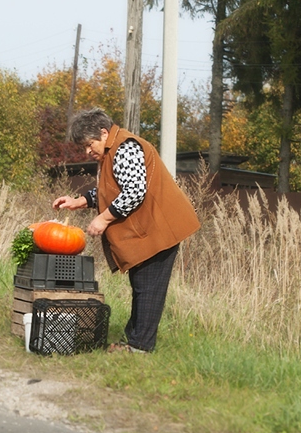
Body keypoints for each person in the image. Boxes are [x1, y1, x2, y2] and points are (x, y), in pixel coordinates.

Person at [52, 108, 200, 353]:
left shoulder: (126, 148)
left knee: (148, 288)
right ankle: (133, 342)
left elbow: (133, 192)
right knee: (142, 285)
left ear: (103, 132)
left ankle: (140, 348)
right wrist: (79, 201)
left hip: (160, 229)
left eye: (89, 145)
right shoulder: (112, 150)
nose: (87, 151)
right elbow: (111, 190)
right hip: (150, 230)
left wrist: (103, 219)